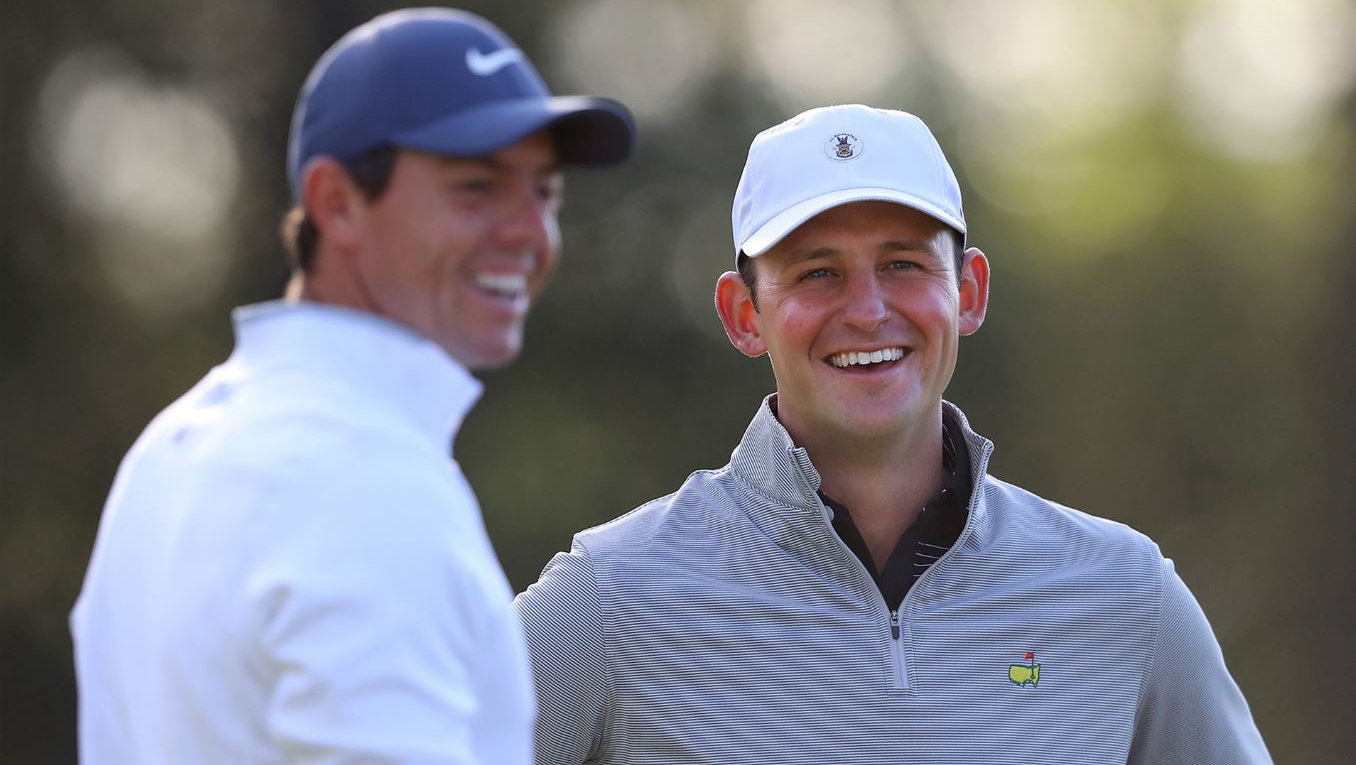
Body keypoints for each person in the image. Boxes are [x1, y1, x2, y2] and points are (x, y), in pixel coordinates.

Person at [514, 104, 1271, 764]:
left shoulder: (1125, 596)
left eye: (903, 264)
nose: (869, 310)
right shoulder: (611, 600)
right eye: (817, 273)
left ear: (967, 291)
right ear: (745, 314)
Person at [70, 8, 634, 764]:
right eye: (476, 188)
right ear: (336, 202)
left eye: (544, 193)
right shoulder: (367, 480)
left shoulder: (171, 445)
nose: (531, 235)